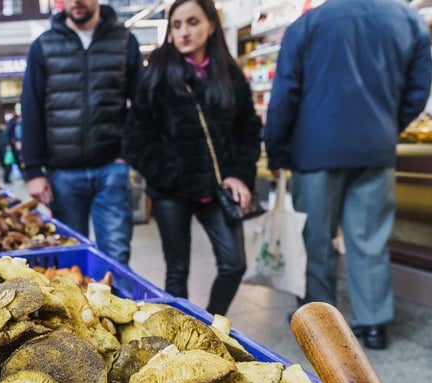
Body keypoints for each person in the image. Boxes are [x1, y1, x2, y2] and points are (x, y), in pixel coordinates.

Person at [263, 0, 432, 349]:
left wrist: (277, 148)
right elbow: (418, 89)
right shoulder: (408, 20)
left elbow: (285, 93)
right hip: (375, 148)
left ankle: (323, 325)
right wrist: (388, 126)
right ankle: (373, 326)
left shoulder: (308, 25)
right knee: (369, 240)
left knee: (317, 241)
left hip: (315, 150)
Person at [122, 0, 262, 315]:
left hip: (216, 187)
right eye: (177, 24)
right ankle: (183, 330)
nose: (184, 31)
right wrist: (167, 173)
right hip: (171, 189)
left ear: (211, 24)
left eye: (193, 22)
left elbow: (248, 131)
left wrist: (240, 175)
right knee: (177, 269)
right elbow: (135, 136)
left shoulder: (229, 75)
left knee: (234, 264)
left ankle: (212, 325)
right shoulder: (157, 72)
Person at [20, 0, 141, 265]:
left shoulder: (124, 42)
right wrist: (32, 171)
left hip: (111, 169)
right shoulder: (43, 46)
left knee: (117, 256)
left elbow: (141, 104)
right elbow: (31, 109)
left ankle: (115, 308)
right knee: (70, 257)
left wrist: (128, 153)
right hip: (62, 173)